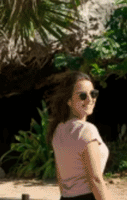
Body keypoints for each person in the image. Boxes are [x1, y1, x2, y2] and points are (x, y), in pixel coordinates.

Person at [47, 71, 110, 200]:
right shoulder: (86, 130)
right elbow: (95, 179)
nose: (90, 99)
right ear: (68, 100)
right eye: (82, 95)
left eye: (93, 94)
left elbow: (60, 177)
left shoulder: (58, 130)